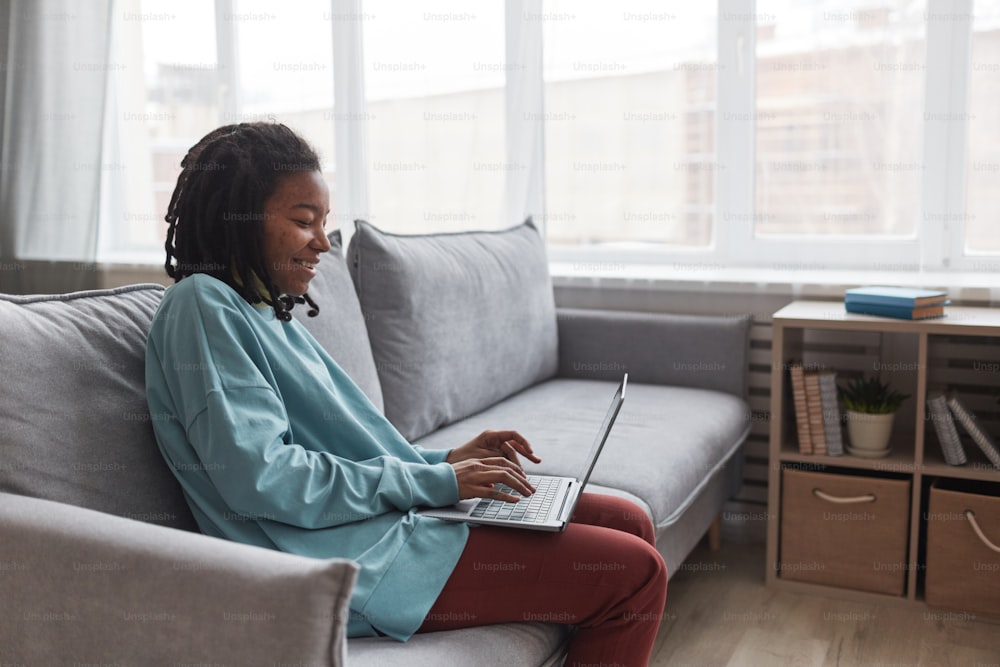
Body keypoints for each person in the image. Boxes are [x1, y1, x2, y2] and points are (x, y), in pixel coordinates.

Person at [145, 122, 667, 665]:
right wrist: (437, 481)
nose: (323, 243)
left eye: (324, 223)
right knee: (632, 575)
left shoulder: (269, 312)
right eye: (304, 222)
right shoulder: (203, 307)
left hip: (385, 525)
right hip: (347, 559)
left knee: (629, 520)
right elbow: (261, 479)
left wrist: (449, 460)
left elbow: (347, 450)